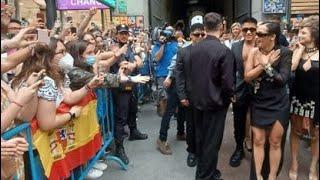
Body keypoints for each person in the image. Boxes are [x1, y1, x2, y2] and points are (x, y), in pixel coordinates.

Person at [189, 12, 235, 180]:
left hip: (198, 101)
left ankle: (208, 172)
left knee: (202, 140)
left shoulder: (194, 49)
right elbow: (228, 83)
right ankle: (205, 176)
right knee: (211, 143)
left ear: (205, 28)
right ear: (221, 26)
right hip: (215, 103)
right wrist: (230, 97)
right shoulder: (224, 51)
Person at [244, 21, 292, 180]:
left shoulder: (284, 52)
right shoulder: (253, 52)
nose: (256, 37)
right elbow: (247, 76)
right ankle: (258, 176)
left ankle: (272, 177)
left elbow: (282, 80)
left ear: (272, 37)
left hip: (279, 103)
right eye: (257, 33)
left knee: (275, 141)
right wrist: (265, 65)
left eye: (261, 34)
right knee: (258, 141)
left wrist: (269, 68)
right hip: (259, 101)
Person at [110, 24, 148, 165]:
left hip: (130, 84)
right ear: (116, 35)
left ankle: (133, 132)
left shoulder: (129, 47)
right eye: (121, 33)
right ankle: (119, 148)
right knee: (121, 117)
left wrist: (135, 64)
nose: (124, 35)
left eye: (126, 33)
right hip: (119, 87)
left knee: (133, 110)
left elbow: (139, 62)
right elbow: (125, 65)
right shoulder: (114, 48)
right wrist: (133, 64)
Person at [289, 15, 319, 180]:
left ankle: (313, 167)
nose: (300, 35)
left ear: (313, 36)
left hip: (317, 100)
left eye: (304, 33)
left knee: (315, 135)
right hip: (297, 98)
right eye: (300, 32)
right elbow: (292, 68)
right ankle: (294, 162)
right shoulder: (296, 50)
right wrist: (299, 49)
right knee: (295, 132)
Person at [175, 23, 206, 167]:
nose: (199, 37)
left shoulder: (209, 51)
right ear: (190, 36)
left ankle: (203, 151)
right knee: (192, 125)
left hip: (207, 96)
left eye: (202, 34)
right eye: (196, 34)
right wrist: (182, 95)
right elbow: (179, 75)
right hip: (190, 96)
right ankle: (192, 151)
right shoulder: (183, 52)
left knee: (206, 125)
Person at [229, 17, 258, 168]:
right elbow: (231, 70)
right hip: (239, 89)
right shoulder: (235, 47)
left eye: (252, 29)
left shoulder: (262, 44)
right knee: (238, 121)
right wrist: (231, 90)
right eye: (245, 29)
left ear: (256, 30)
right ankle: (239, 149)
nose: (248, 32)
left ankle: (258, 149)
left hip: (259, 90)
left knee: (259, 121)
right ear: (241, 30)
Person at [151, 26, 178, 117]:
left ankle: (176, 114)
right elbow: (157, 58)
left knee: (176, 94)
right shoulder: (157, 46)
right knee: (164, 95)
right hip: (162, 74)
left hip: (174, 74)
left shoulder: (175, 44)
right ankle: (164, 114)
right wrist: (163, 44)